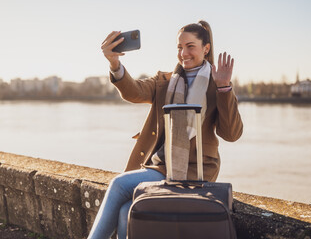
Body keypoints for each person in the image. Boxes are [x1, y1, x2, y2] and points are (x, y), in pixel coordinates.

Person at [88, 20, 243, 239]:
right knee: (125, 211)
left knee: (119, 184)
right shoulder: (165, 80)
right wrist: (115, 64)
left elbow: (231, 134)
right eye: (180, 47)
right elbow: (134, 91)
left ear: (205, 48)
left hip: (196, 170)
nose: (184, 53)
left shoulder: (216, 84)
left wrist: (225, 88)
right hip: (162, 165)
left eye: (190, 46)